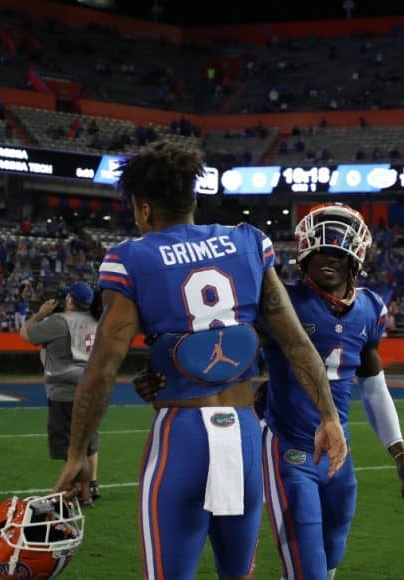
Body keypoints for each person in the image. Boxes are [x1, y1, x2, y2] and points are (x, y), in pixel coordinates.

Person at [51, 142, 347, 580]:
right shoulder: (248, 242)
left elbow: (102, 368)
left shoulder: (131, 258)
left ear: (145, 209)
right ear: (193, 198)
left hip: (183, 435)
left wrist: (78, 453)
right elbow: (296, 342)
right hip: (244, 433)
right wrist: (329, 416)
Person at [137, 202, 404, 580]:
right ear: (304, 252)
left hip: (338, 448)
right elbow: (224, 339)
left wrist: (399, 453)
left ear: (355, 258)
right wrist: (166, 369)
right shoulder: (281, 302)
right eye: (320, 249)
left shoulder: (369, 308)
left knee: (334, 548)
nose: (328, 257)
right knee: (306, 564)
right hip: (288, 446)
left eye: (338, 250)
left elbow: (374, 387)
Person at [21, 282, 103, 505]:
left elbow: (26, 334)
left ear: (69, 299)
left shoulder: (59, 321)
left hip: (65, 391)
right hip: (92, 387)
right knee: (85, 445)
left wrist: (41, 313)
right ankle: (84, 491)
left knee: (72, 449)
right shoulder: (97, 320)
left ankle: (63, 494)